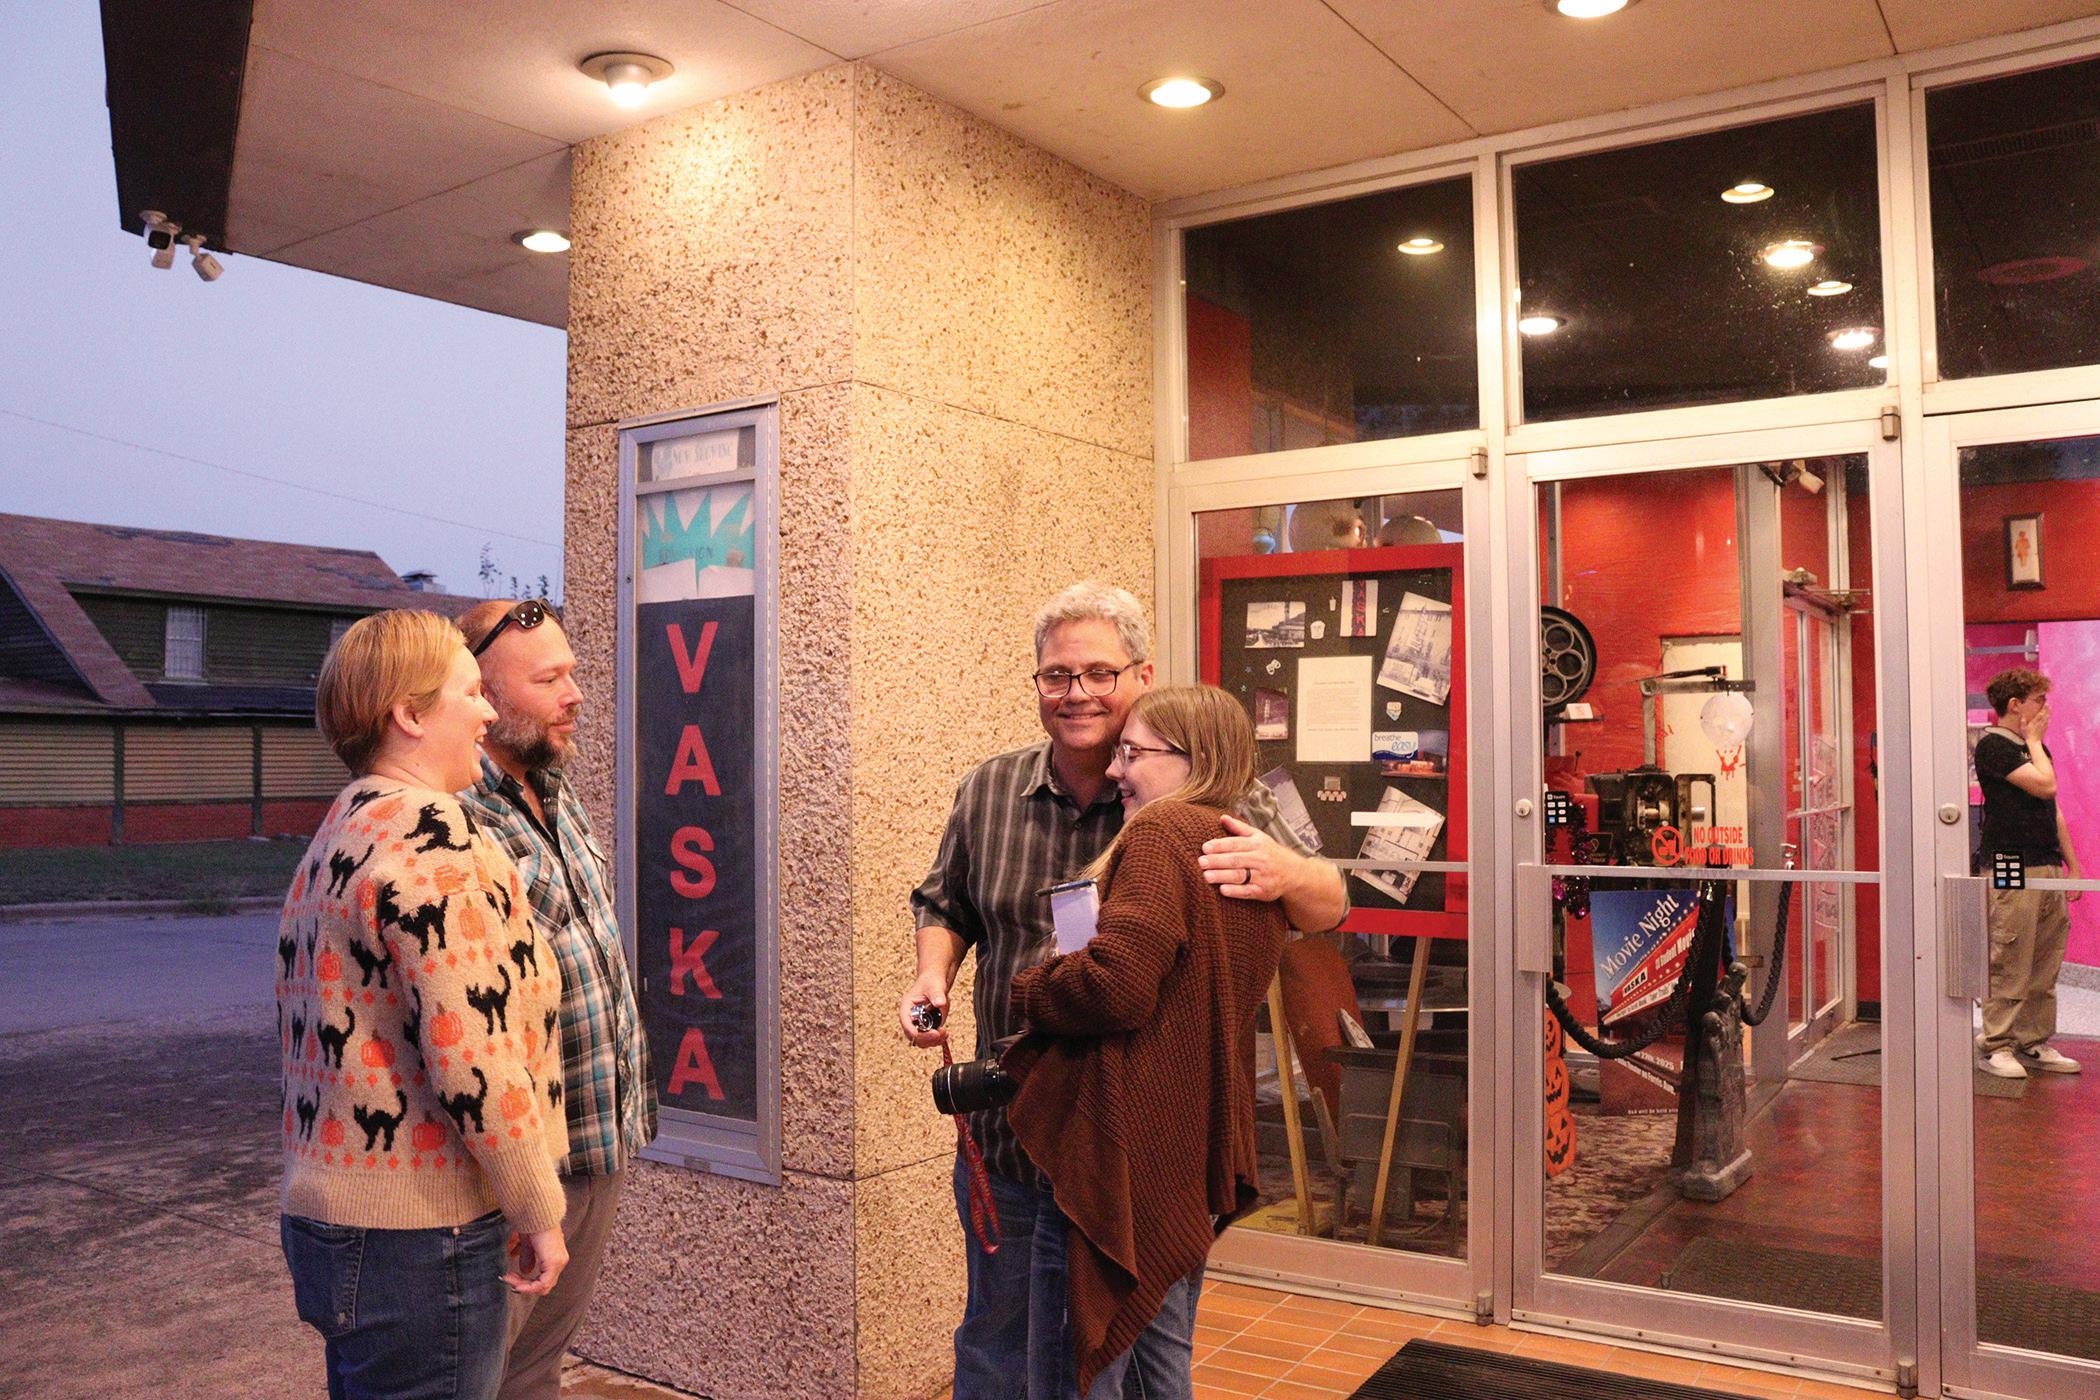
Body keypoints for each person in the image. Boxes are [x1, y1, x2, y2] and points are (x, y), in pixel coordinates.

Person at [901, 581, 1347, 1399]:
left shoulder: (1205, 798)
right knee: (998, 1344)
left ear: (1142, 675)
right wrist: (933, 972)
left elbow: (1330, 903)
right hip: (1012, 1130)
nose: (1077, 693)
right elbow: (944, 903)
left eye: (1099, 673)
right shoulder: (990, 789)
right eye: (1057, 675)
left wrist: (1288, 870)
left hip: (1132, 1148)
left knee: (1115, 1362)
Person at [280, 609, 568, 1399]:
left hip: (334, 1224)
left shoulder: (343, 828)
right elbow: (473, 1053)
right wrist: (536, 1207)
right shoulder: (433, 835)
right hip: (421, 1234)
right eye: (470, 693)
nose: (486, 715)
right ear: (408, 714)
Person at [1006, 685, 1290, 1398]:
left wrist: (1030, 988)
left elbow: (1117, 986)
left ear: (1195, 759)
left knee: (1080, 1369)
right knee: (1159, 1373)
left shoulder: (1162, 834)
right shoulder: (1240, 852)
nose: (1114, 770)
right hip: (1182, 1158)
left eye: (1132, 753)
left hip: (1121, 1164)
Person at [455, 599, 656, 1400]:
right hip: (518, 1163)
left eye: (571, 673)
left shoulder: (552, 784)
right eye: (547, 681)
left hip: (597, 1132)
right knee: (472, 1374)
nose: (574, 695)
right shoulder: (450, 814)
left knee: (537, 1369)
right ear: (480, 694)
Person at [1974, 666, 2083, 1078]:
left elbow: (2052, 809)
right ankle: (1996, 1044)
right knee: (2010, 951)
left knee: (2045, 954)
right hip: (2008, 861)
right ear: (2016, 705)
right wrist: (2034, 741)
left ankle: (2032, 1040)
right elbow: (2044, 786)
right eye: (2039, 700)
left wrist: (2073, 865)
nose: (2046, 708)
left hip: (2045, 861)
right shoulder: (1994, 746)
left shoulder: (2036, 750)